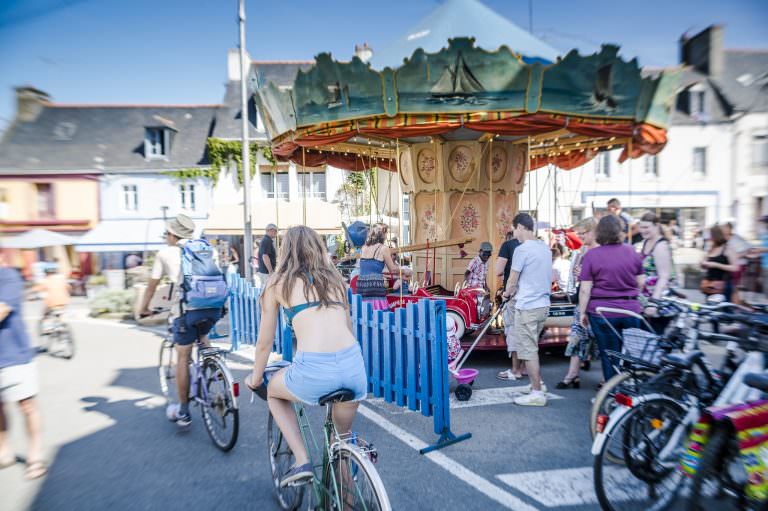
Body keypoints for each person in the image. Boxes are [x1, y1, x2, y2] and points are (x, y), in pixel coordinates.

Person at [245, 226, 367, 487]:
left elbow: (264, 343)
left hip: (314, 370)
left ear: (285, 250)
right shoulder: (336, 280)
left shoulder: (277, 283)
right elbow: (348, 328)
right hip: (353, 367)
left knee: (274, 393)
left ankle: (302, 461)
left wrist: (256, 379)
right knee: (341, 443)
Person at [138, 213, 223, 426]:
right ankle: (217, 372)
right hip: (214, 307)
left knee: (182, 357)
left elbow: (152, 286)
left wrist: (144, 308)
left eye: (167, 233)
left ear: (173, 235)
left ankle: (184, 411)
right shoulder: (206, 249)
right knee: (203, 335)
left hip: (187, 312)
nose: (165, 236)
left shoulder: (165, 254)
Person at [579, 215, 645, 383]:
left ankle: (613, 394)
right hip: (631, 311)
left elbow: (585, 289)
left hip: (602, 312)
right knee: (630, 354)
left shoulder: (592, 256)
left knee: (609, 355)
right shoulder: (632, 251)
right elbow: (641, 283)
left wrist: (582, 313)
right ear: (620, 231)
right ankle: (632, 391)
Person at [0, 256, 46, 479]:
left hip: (14, 355)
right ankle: (4, 450)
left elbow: (1, 311)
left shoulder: (7, 276)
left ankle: (35, 455)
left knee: (27, 405)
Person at [502, 213, 552, 406]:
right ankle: (536, 384)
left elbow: (512, 280)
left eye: (514, 228)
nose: (514, 232)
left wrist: (506, 294)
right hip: (542, 305)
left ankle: (537, 393)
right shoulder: (544, 248)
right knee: (532, 347)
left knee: (528, 350)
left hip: (527, 306)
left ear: (521, 227)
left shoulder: (522, 250)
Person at [557, 218, 598, 389]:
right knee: (576, 337)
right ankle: (572, 375)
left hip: (595, 300)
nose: (580, 237)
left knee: (595, 341)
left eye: (582, 233)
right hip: (582, 299)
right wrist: (578, 274)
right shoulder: (583, 250)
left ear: (593, 231)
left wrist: (583, 274)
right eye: (579, 234)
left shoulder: (599, 251)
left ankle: (602, 380)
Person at [637, 211, 678, 334]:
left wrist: (654, 302)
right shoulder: (646, 242)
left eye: (646, 227)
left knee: (653, 342)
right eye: (641, 227)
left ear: (656, 226)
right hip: (646, 301)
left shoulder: (661, 246)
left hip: (659, 302)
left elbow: (664, 277)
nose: (643, 230)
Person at [356, 223, 411, 311]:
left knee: (365, 312)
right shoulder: (383, 248)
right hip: (374, 285)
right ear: (382, 234)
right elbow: (392, 269)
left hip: (361, 284)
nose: (386, 236)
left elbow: (368, 267)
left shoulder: (364, 247)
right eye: (386, 233)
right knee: (379, 313)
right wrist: (404, 271)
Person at [496, 229, 523, 381]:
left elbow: (498, 271)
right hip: (529, 294)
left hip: (513, 293)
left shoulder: (508, 245)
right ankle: (524, 367)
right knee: (525, 331)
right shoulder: (533, 245)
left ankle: (515, 369)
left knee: (512, 329)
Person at [700, 224, 740, 302]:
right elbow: (704, 262)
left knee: (723, 311)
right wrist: (703, 264)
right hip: (710, 286)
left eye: (709, 236)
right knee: (711, 310)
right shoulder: (711, 248)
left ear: (715, 236)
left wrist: (716, 265)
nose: (707, 238)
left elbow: (735, 267)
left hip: (723, 286)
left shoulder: (728, 249)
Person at [257, 224, 278, 288]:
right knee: (267, 291)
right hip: (266, 272)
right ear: (270, 230)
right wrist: (270, 271)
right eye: (276, 231)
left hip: (265, 272)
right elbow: (265, 256)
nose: (276, 233)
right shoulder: (267, 240)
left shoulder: (266, 240)